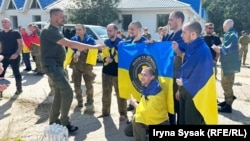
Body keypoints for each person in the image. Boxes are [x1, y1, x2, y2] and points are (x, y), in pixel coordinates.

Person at [40, 7, 104, 133]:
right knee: (68, 92)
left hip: (58, 66)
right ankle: (64, 122)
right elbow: (70, 44)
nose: (64, 18)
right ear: (54, 16)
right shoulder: (50, 30)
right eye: (61, 16)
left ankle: (53, 121)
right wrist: (94, 47)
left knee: (59, 93)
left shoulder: (55, 29)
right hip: (52, 66)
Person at [173, 21, 218, 124]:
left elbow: (203, 77)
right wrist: (180, 89)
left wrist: (184, 83)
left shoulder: (202, 50)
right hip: (185, 89)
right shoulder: (191, 45)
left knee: (192, 121)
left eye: (184, 32)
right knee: (182, 121)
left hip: (195, 93)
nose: (181, 35)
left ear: (193, 34)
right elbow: (186, 68)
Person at [97, 23, 127, 122]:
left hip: (118, 73)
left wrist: (115, 58)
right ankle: (105, 112)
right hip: (106, 72)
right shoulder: (105, 43)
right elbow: (103, 55)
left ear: (115, 31)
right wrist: (106, 58)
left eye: (110, 31)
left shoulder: (122, 44)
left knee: (120, 95)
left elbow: (125, 59)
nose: (108, 33)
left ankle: (123, 114)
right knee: (105, 94)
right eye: (107, 31)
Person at [129, 67, 169, 140]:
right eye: (141, 75)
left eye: (145, 75)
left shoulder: (155, 90)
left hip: (159, 120)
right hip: (151, 118)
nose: (142, 77)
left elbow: (147, 111)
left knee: (136, 120)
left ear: (152, 77)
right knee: (128, 131)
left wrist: (134, 103)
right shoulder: (148, 86)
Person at [213, 19, 240, 113]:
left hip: (229, 64)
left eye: (224, 26)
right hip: (228, 63)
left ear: (227, 25)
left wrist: (219, 49)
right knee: (226, 83)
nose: (223, 27)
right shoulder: (231, 34)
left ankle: (228, 106)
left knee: (226, 84)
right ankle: (227, 100)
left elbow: (230, 48)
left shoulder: (231, 34)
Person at [70, 24, 97, 107]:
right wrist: (73, 55)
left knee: (88, 85)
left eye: (79, 29)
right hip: (76, 65)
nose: (77, 31)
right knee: (76, 85)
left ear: (84, 30)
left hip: (87, 66)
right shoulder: (73, 40)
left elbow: (94, 51)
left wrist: (84, 50)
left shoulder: (90, 40)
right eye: (76, 29)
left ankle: (90, 100)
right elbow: (69, 52)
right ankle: (79, 101)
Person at [166, 10, 185, 125]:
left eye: (171, 19)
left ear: (179, 20)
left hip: (177, 77)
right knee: (170, 106)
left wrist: (178, 51)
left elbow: (185, 56)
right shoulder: (170, 36)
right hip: (168, 76)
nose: (168, 22)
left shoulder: (184, 36)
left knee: (178, 107)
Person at [0, 18, 23, 96]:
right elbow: (0, 45)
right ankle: (0, 91)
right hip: (3, 56)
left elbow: (20, 44)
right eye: (2, 22)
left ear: (10, 23)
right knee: (1, 73)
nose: (3, 23)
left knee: (16, 73)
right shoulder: (1, 33)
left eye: (5, 22)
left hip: (14, 56)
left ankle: (19, 89)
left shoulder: (15, 33)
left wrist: (16, 53)